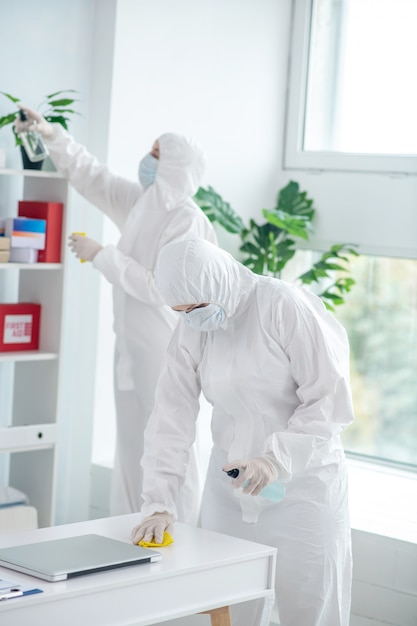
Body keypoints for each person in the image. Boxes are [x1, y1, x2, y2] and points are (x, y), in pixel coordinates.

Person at [131, 238, 355, 626]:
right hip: (232, 487)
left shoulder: (283, 306)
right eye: (180, 312)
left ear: (217, 283)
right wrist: (160, 501)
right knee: (229, 605)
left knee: (311, 609)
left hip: (303, 488)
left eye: (196, 308)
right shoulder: (192, 329)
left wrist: (275, 459)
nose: (191, 318)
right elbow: (171, 414)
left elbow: (329, 400)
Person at [15, 108, 217, 519]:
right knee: (131, 447)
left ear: (174, 166)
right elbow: (94, 178)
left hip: (163, 350)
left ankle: (181, 533)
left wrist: (103, 255)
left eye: (157, 153)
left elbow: (163, 288)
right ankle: (133, 532)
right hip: (129, 347)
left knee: (169, 445)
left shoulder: (186, 221)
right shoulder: (144, 204)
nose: (148, 159)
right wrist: (52, 133)